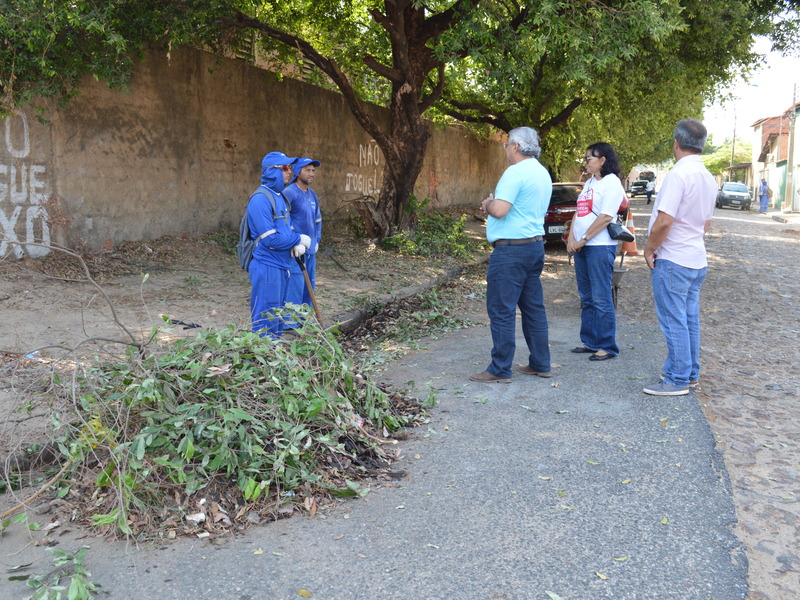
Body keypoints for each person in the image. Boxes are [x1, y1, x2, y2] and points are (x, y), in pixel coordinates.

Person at [469, 127, 552, 383]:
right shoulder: (542, 172)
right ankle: (541, 363)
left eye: (506, 144)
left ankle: (500, 368)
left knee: (501, 309)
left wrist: (487, 204)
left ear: (515, 146)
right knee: (533, 308)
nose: (505, 148)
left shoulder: (515, 172)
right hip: (534, 246)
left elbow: (501, 209)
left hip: (511, 250)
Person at [643, 119, 716, 396]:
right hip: (696, 258)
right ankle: (690, 374)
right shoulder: (707, 177)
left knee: (674, 320)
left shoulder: (679, 174)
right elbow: (706, 224)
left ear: (676, 142)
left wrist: (649, 249)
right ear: (702, 145)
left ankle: (676, 379)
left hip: (673, 258)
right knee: (688, 319)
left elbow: (664, 221)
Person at [566, 142, 625, 362]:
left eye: (590, 157)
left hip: (599, 246)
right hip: (582, 246)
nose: (586, 161)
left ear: (603, 160)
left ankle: (608, 346)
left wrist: (584, 239)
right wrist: (571, 237)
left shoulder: (612, 183)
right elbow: (578, 212)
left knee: (601, 297)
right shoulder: (589, 183)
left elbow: (606, 216)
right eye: (586, 157)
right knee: (587, 296)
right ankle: (590, 341)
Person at [246, 151, 311, 338]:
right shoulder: (260, 199)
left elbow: (285, 230)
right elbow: (270, 239)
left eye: (289, 168)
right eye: (284, 168)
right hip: (268, 267)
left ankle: (273, 356)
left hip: (282, 265)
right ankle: (260, 359)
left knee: (277, 317)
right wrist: (298, 240)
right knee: (265, 317)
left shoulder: (280, 197)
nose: (289, 172)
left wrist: (294, 239)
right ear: (271, 171)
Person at [284, 158, 322, 325]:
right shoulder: (290, 193)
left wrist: (317, 240)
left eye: (313, 170)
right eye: (307, 170)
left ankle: (304, 320)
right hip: (296, 251)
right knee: (295, 285)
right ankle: (290, 323)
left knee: (309, 286)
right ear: (298, 172)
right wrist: (294, 242)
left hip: (310, 250)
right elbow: (284, 221)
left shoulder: (312, 194)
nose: (311, 174)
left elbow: (318, 220)